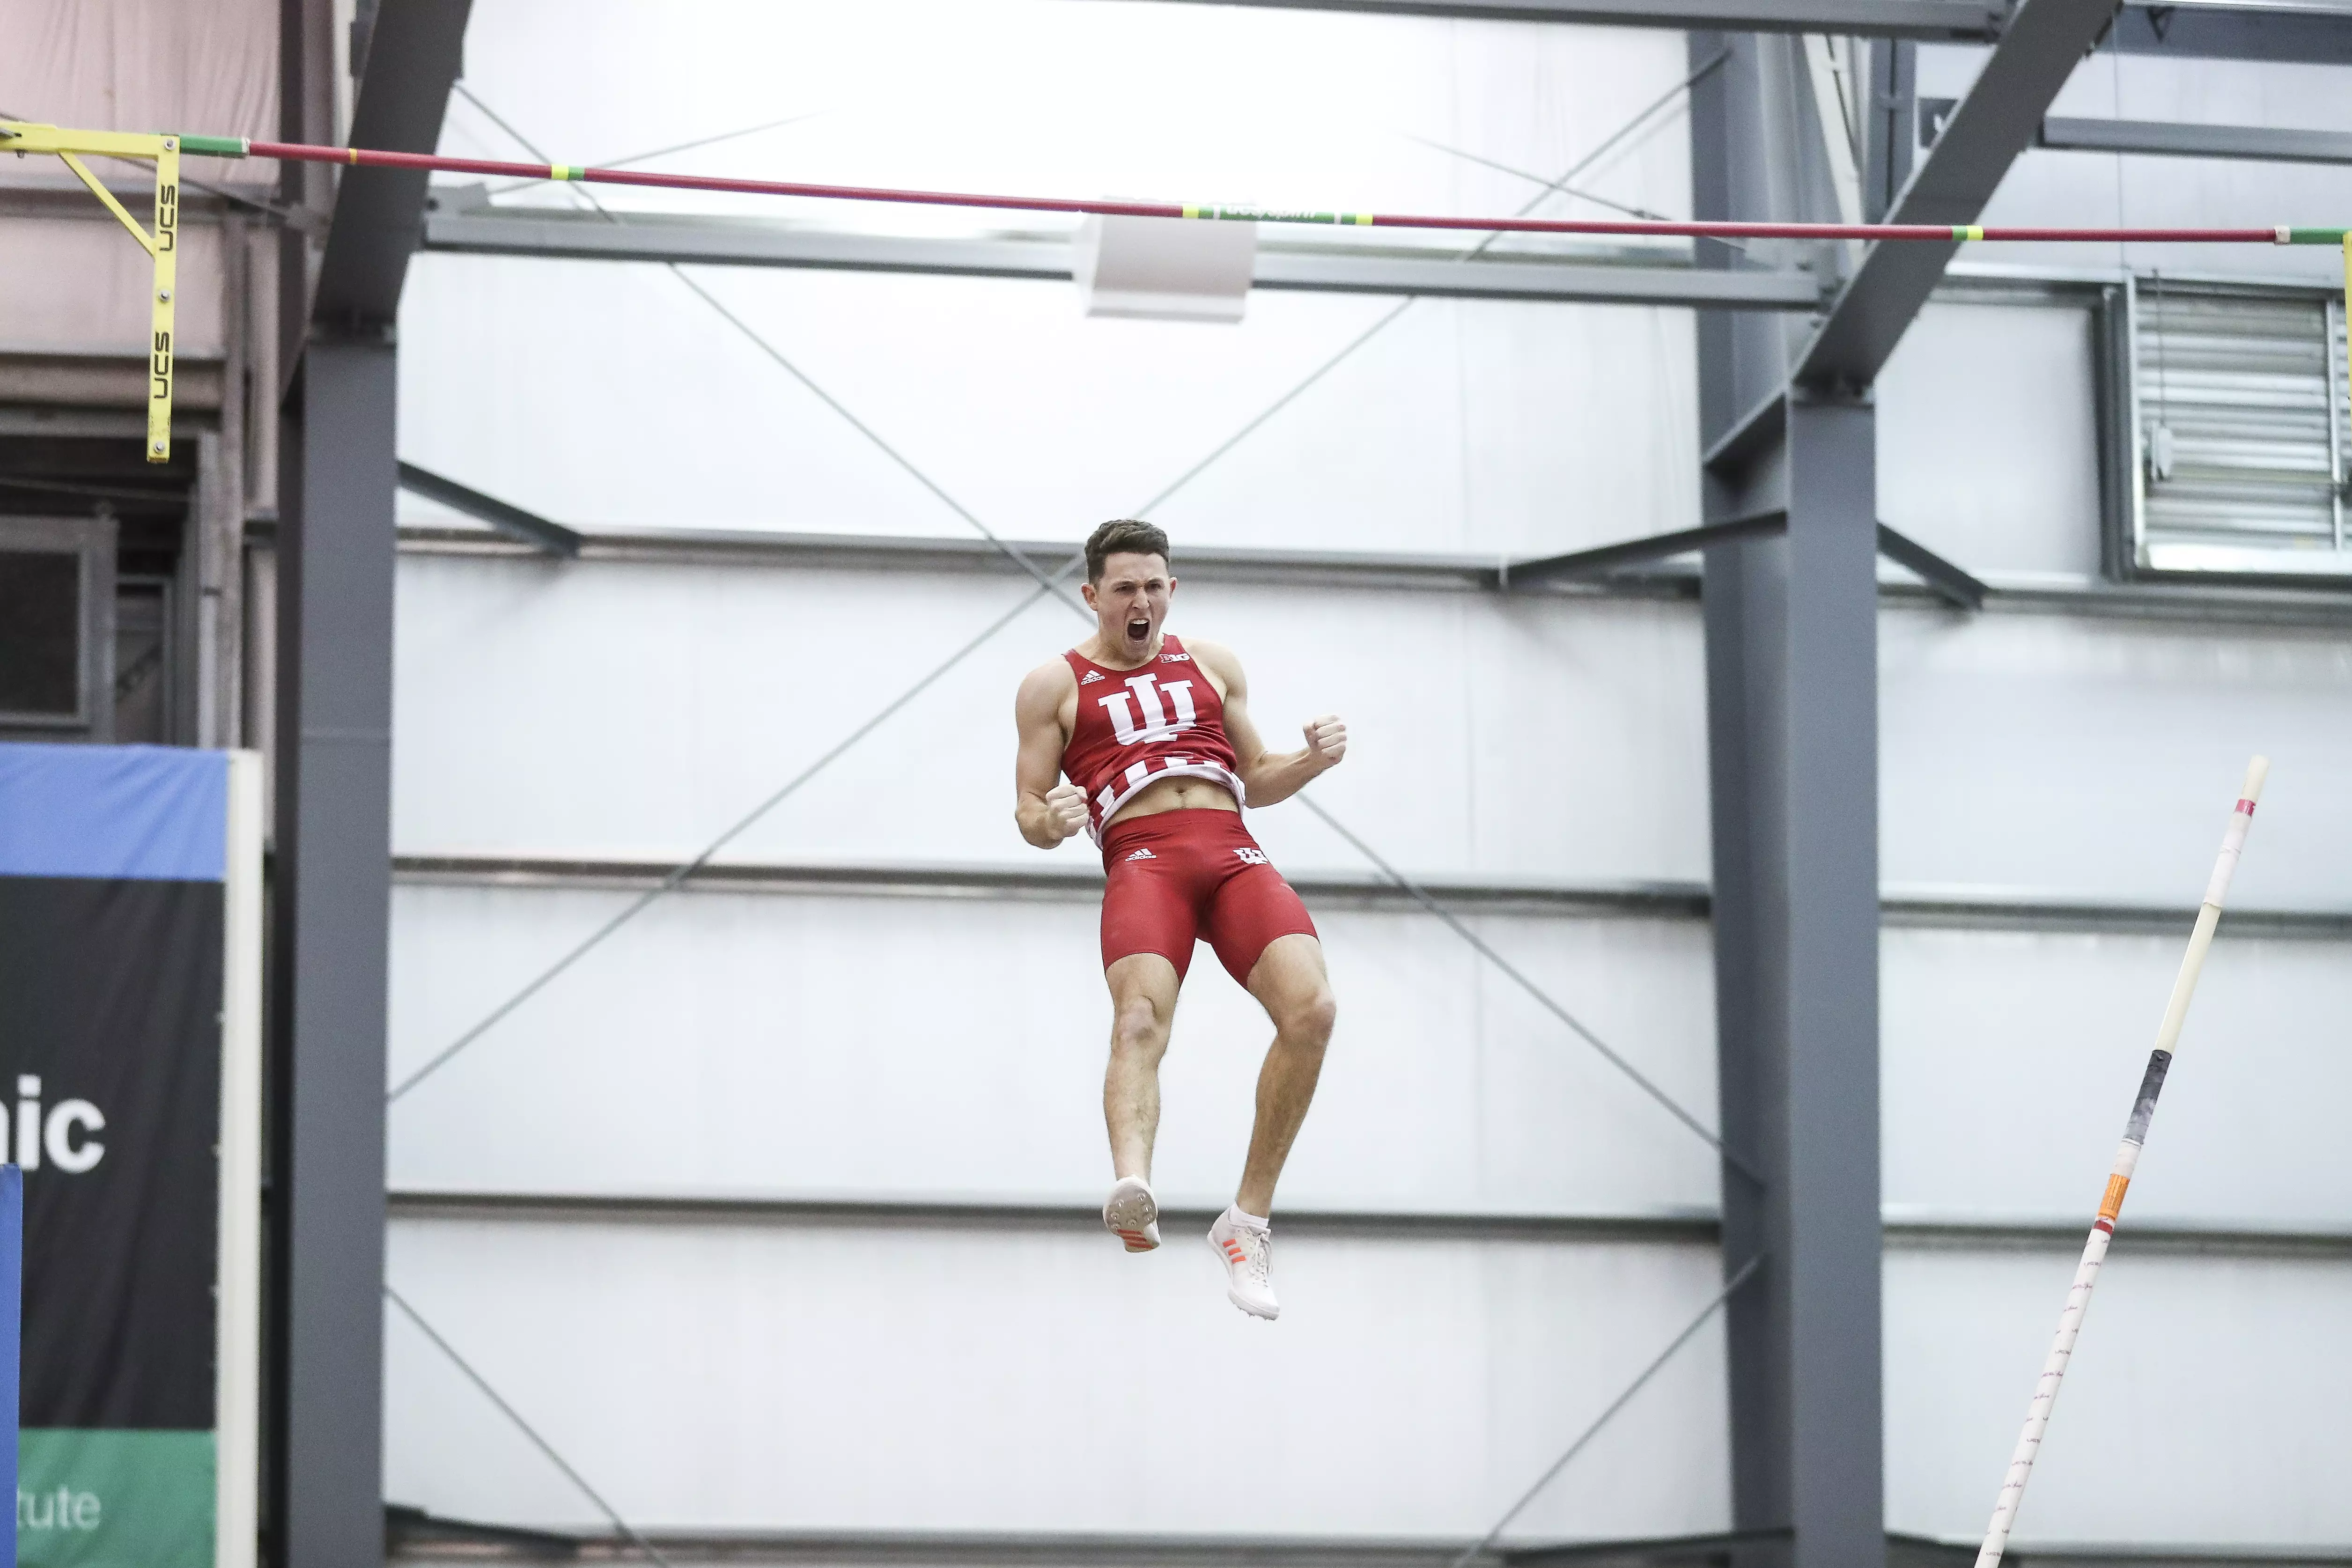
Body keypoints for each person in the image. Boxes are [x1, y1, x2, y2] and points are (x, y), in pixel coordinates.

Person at [1012, 519, 1346, 1321]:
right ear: (1093, 597)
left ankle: (1247, 1222)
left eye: (1154, 586)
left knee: (1314, 1010)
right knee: (1138, 1020)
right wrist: (1053, 822)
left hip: (1231, 849)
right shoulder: (1052, 686)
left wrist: (1312, 759)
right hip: (1144, 858)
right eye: (1124, 588)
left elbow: (1256, 776)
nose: (1141, 601)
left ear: (1172, 590)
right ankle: (1134, 1185)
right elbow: (1027, 809)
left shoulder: (1211, 664)